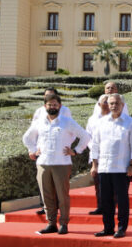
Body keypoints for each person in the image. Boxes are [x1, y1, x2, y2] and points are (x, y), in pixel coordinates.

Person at [23, 93, 90, 235]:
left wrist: (76, 151)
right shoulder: (39, 122)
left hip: (62, 164)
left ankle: (64, 224)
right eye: (49, 105)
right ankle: (51, 223)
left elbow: (85, 136)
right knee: (47, 196)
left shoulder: (67, 121)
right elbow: (27, 138)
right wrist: (33, 150)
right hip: (43, 163)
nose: (52, 107)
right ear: (45, 106)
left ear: (59, 106)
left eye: (55, 104)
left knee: (62, 196)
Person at [90, 94, 132, 238]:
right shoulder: (102, 122)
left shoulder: (130, 123)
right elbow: (95, 145)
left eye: (117, 103)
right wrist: (94, 165)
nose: (113, 106)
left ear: (122, 105)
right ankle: (108, 228)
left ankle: (122, 228)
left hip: (121, 168)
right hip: (104, 168)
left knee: (122, 200)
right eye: (111, 103)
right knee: (105, 200)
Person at [31, 87, 73, 215]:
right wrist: (33, 148)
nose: (48, 98)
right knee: (43, 182)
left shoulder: (64, 111)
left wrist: (68, 146)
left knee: (58, 184)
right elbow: (32, 132)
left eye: (51, 95)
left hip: (59, 154)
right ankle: (45, 206)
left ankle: (58, 209)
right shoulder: (39, 111)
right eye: (46, 96)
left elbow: (72, 131)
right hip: (43, 152)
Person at [85, 94, 110, 215]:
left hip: (111, 156)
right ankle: (100, 206)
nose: (106, 104)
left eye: (108, 102)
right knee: (98, 184)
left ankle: (111, 207)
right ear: (99, 104)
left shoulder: (117, 118)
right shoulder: (92, 119)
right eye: (104, 102)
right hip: (96, 156)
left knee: (111, 185)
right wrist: (94, 148)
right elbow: (87, 137)